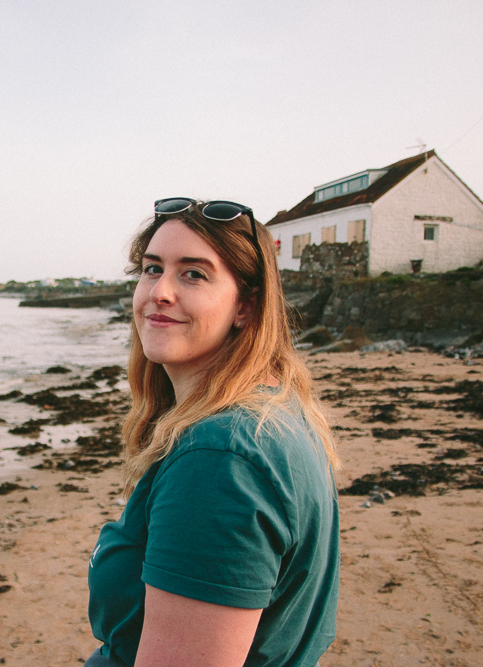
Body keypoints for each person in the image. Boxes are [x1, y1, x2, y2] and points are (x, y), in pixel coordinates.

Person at [86, 198, 340, 667]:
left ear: (246, 306)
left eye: (194, 274)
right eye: (151, 268)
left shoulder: (221, 461)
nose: (159, 291)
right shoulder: (273, 409)